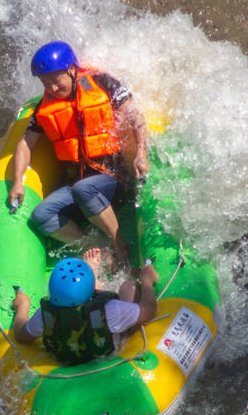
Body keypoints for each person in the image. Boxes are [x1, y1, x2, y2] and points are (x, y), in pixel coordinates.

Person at [8, 41, 149, 267]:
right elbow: (26, 143)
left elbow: (134, 115)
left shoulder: (102, 84)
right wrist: (17, 182)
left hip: (114, 180)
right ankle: (97, 249)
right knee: (41, 215)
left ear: (73, 70)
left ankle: (119, 244)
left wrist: (140, 150)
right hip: (77, 185)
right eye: (46, 84)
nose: (52, 89)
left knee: (84, 189)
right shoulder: (45, 107)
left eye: (56, 81)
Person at [12, 248, 158, 366]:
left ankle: (92, 272)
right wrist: (146, 279)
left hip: (68, 358)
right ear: (92, 295)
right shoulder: (110, 309)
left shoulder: (45, 316)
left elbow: (20, 334)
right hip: (111, 352)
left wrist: (23, 305)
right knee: (130, 287)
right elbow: (149, 311)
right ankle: (92, 273)